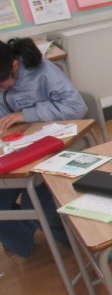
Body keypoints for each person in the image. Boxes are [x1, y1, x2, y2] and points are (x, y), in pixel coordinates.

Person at [0, 37, 87, 257]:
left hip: (55, 146)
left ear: (15, 65)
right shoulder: (3, 76)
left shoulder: (43, 71)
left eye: (2, 83)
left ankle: (86, 248)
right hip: (17, 149)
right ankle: (24, 239)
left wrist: (25, 114)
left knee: (37, 206)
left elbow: (77, 108)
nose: (1, 88)